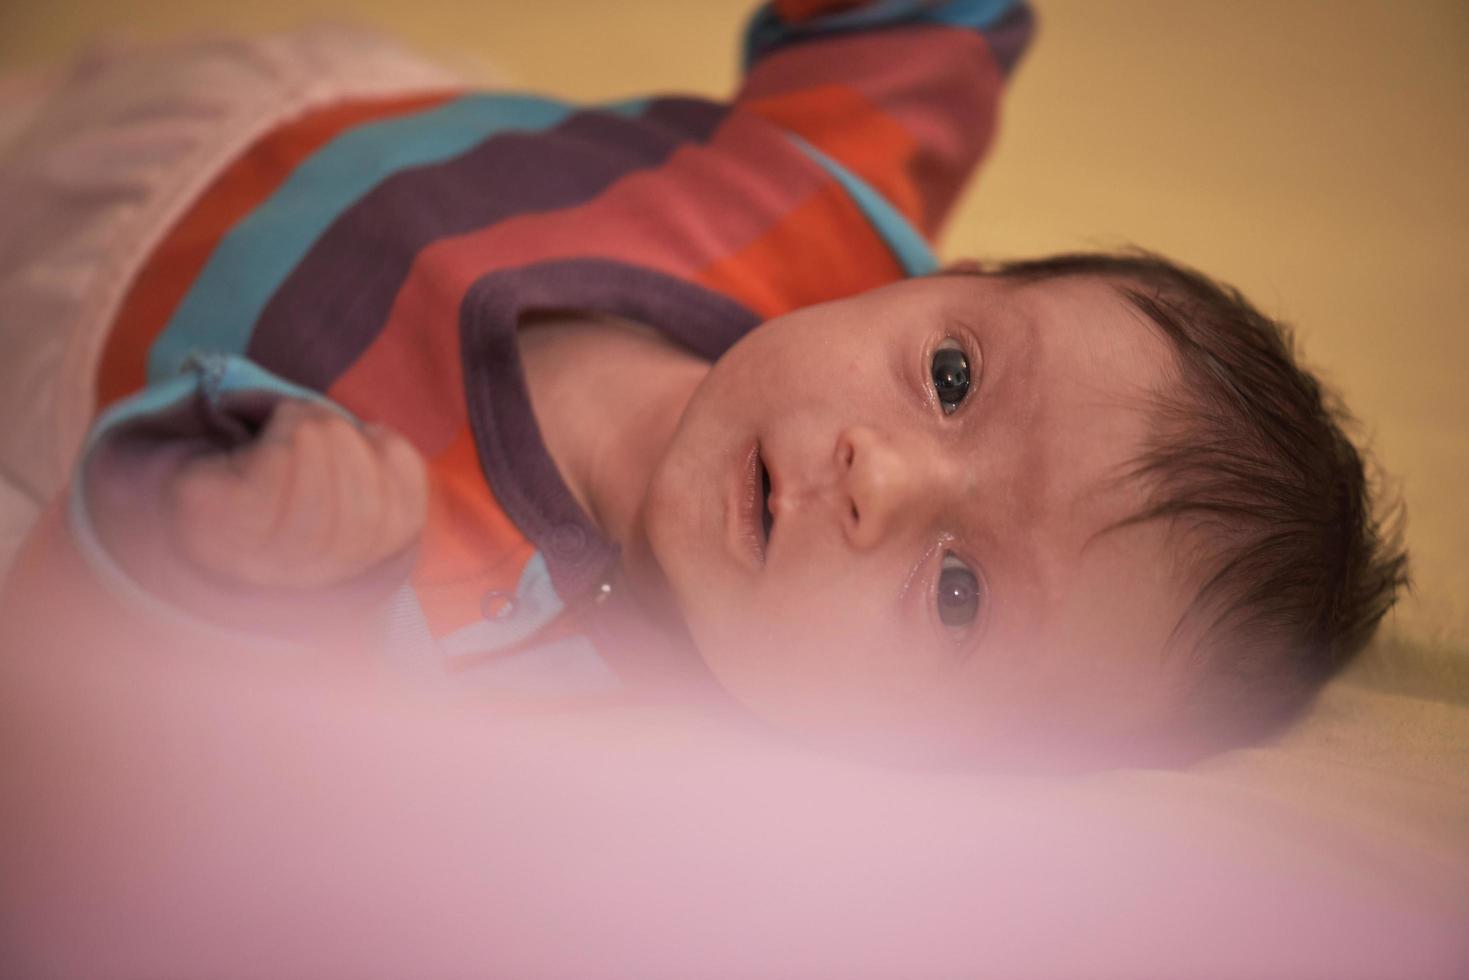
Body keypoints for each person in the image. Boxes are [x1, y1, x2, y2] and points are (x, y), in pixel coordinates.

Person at [0, 0, 1405, 767]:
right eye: (955, 373)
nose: (882, 474)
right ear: (935, 273)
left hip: (54, 371)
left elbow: (121, 747)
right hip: (258, 106)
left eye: (960, 590)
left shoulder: (516, 700)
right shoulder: (821, 206)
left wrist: (230, 563)